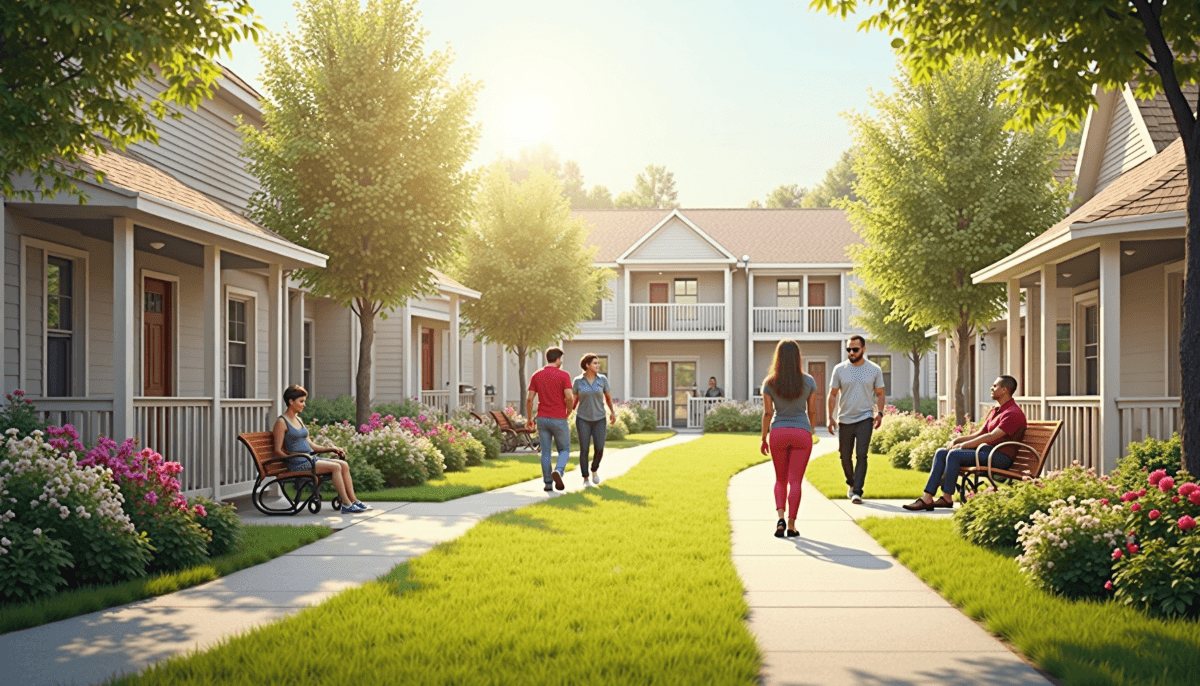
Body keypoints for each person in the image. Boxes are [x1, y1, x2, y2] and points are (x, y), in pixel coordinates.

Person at [903, 375, 1028, 511]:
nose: (991, 388)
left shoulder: (1013, 413)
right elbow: (980, 433)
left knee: (955, 455)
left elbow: (992, 436)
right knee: (941, 452)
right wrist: (957, 440)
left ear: (1004, 390)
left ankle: (946, 497)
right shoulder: (996, 410)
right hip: (986, 452)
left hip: (1000, 457)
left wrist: (963, 446)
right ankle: (927, 497)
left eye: (994, 386)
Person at [272, 384, 367, 514]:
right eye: (301, 401)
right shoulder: (281, 422)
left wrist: (331, 449)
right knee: (336, 467)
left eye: (304, 401)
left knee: (344, 464)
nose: (304, 404)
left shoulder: (299, 420)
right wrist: (291, 460)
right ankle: (346, 504)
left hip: (309, 459)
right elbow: (278, 450)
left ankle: (354, 500)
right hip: (298, 463)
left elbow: (311, 444)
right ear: (290, 401)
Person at [760, 339, 819, 538]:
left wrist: (763, 438)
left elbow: (767, 414)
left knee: (780, 479)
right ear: (797, 358)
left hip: (778, 433)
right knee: (795, 481)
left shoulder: (769, 382)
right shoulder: (809, 381)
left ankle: (780, 519)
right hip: (801, 433)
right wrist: (810, 431)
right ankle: (792, 525)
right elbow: (812, 410)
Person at [826, 335, 886, 505]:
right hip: (845, 418)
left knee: (861, 454)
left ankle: (858, 491)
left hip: (865, 417)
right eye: (849, 349)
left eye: (855, 349)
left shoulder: (874, 369)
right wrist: (830, 417)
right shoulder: (839, 369)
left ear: (863, 349)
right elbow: (832, 395)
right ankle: (851, 483)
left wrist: (880, 412)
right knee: (844, 456)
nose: (851, 353)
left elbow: (880, 394)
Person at [527, 347, 576, 492]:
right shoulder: (564, 375)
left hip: (542, 418)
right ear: (558, 359)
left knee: (546, 452)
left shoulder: (536, 375)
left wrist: (530, 418)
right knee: (564, 450)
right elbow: (569, 396)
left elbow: (529, 399)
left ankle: (548, 483)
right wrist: (568, 411)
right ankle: (559, 471)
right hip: (559, 418)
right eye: (561, 359)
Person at [573, 353, 616, 486]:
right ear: (587, 365)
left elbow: (608, 397)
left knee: (600, 447)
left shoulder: (602, 379)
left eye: (598, 363)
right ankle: (586, 478)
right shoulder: (578, 381)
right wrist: (568, 412)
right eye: (595, 363)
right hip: (583, 418)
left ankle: (594, 470)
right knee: (584, 448)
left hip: (600, 418)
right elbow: (574, 400)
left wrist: (612, 412)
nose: (598, 365)